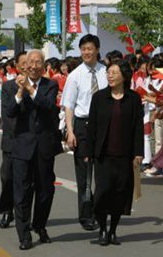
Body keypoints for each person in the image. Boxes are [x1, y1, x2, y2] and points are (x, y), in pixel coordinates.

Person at [6, 50, 62, 250]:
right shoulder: (13, 86)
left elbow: (48, 106)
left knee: (46, 190)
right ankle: (24, 233)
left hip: (44, 146)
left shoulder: (51, 85)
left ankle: (39, 225)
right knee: (21, 191)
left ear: (44, 65)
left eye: (39, 62)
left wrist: (30, 89)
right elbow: (10, 112)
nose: (34, 65)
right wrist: (20, 92)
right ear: (25, 65)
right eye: (31, 62)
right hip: (22, 146)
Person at [84, 60, 144, 246]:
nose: (110, 75)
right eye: (108, 72)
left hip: (124, 156)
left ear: (124, 76)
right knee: (102, 193)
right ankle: (102, 228)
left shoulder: (133, 99)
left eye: (114, 73)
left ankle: (113, 230)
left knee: (120, 194)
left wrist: (138, 152)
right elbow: (92, 126)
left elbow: (137, 128)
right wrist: (88, 151)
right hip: (103, 155)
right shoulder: (99, 97)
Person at [62, 34, 107, 230]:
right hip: (83, 126)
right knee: (85, 176)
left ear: (97, 49)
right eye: (83, 49)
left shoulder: (107, 72)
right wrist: (70, 132)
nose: (87, 52)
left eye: (90, 48)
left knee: (103, 174)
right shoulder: (75, 76)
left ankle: (101, 211)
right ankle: (86, 215)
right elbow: (69, 107)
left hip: (104, 126)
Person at [0, 51, 27, 229]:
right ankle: (7, 210)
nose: (26, 66)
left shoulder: (35, 86)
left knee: (25, 181)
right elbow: (7, 115)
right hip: (12, 140)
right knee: (7, 177)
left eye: (28, 62)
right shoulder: (8, 87)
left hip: (29, 142)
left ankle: (23, 214)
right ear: (17, 65)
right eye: (22, 63)